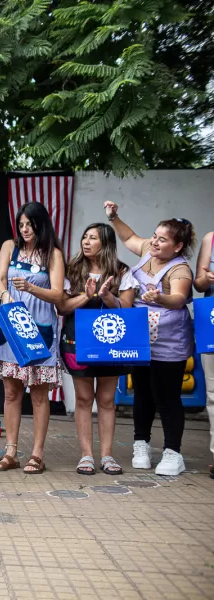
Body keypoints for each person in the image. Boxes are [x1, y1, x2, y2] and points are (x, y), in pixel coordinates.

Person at [106, 201, 195, 476]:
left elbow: (179, 299)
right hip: (140, 339)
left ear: (177, 247)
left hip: (169, 344)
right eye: (155, 236)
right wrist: (114, 217)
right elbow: (129, 237)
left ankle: (172, 453)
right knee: (142, 393)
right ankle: (141, 445)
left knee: (167, 397)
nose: (154, 242)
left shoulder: (180, 270)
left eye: (162, 239)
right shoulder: (147, 250)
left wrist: (160, 297)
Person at [58, 223, 138, 476]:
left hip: (111, 342)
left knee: (106, 400)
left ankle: (107, 455)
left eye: (93, 238)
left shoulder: (121, 271)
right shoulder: (72, 269)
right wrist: (86, 295)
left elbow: (127, 308)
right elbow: (62, 307)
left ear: (105, 243)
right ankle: (86, 456)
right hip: (77, 341)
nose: (86, 241)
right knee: (83, 399)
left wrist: (106, 297)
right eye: (85, 236)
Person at [0, 202, 65, 474]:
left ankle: (37, 454)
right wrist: (5, 294)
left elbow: (58, 295)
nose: (24, 229)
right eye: (20, 224)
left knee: (39, 394)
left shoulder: (53, 254)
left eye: (29, 224)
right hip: (12, 324)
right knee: (11, 392)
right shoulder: (9, 247)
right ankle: (10, 452)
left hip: (40, 327)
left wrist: (31, 288)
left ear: (40, 224)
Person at [194, 229, 214, 479]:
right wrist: (207, 278)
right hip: (211, 316)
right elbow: (198, 283)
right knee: (213, 391)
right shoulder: (211, 238)